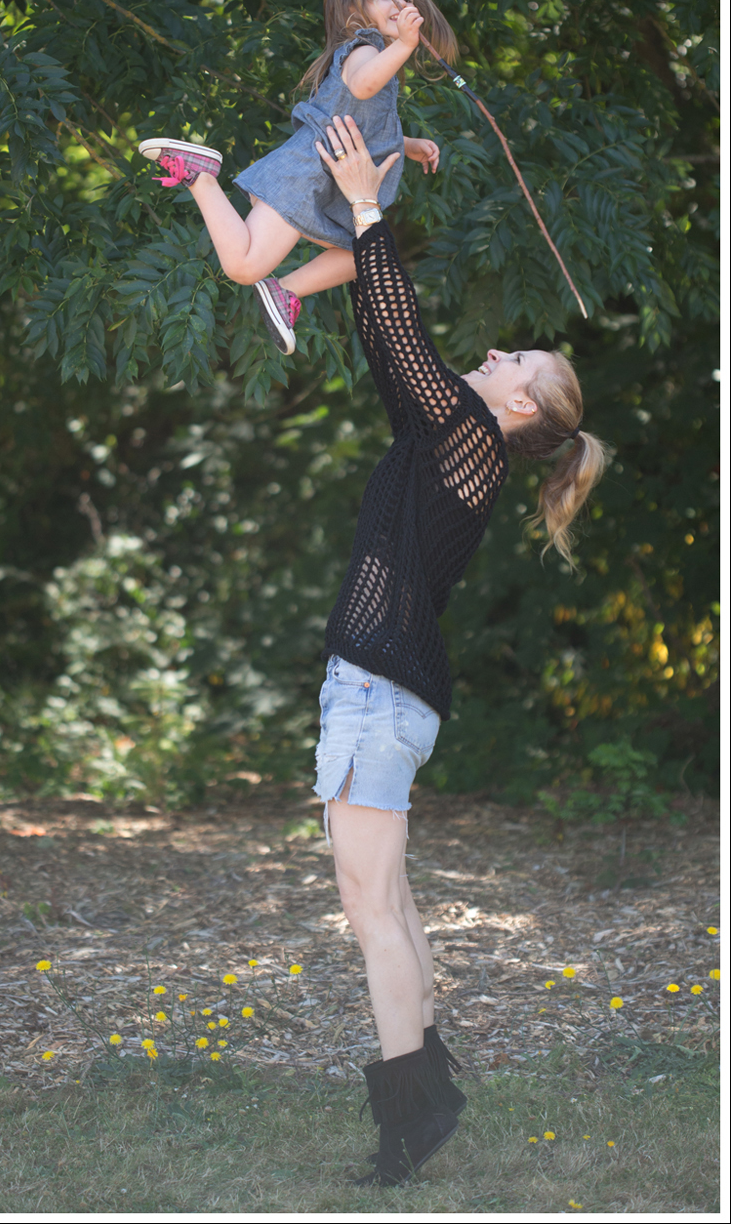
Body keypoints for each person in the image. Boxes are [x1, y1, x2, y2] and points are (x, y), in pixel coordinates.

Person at [308, 116, 609, 1187]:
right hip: (392, 691)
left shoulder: (470, 435)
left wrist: (368, 203)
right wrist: (366, 212)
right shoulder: (452, 440)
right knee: (387, 903)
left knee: (371, 909)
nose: (493, 354)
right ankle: (427, 1087)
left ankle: (411, 1121)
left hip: (377, 690)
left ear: (521, 402)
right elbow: (385, 339)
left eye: (511, 358)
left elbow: (399, 331)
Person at [137, 0, 456, 354]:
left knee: (364, 253)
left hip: (323, 185)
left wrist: (407, 145)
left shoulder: (379, 60)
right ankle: (200, 177)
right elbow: (362, 86)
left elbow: (364, 123)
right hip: (305, 175)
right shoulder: (365, 48)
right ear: (355, 10)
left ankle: (284, 291)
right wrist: (407, 44)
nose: (400, 5)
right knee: (243, 267)